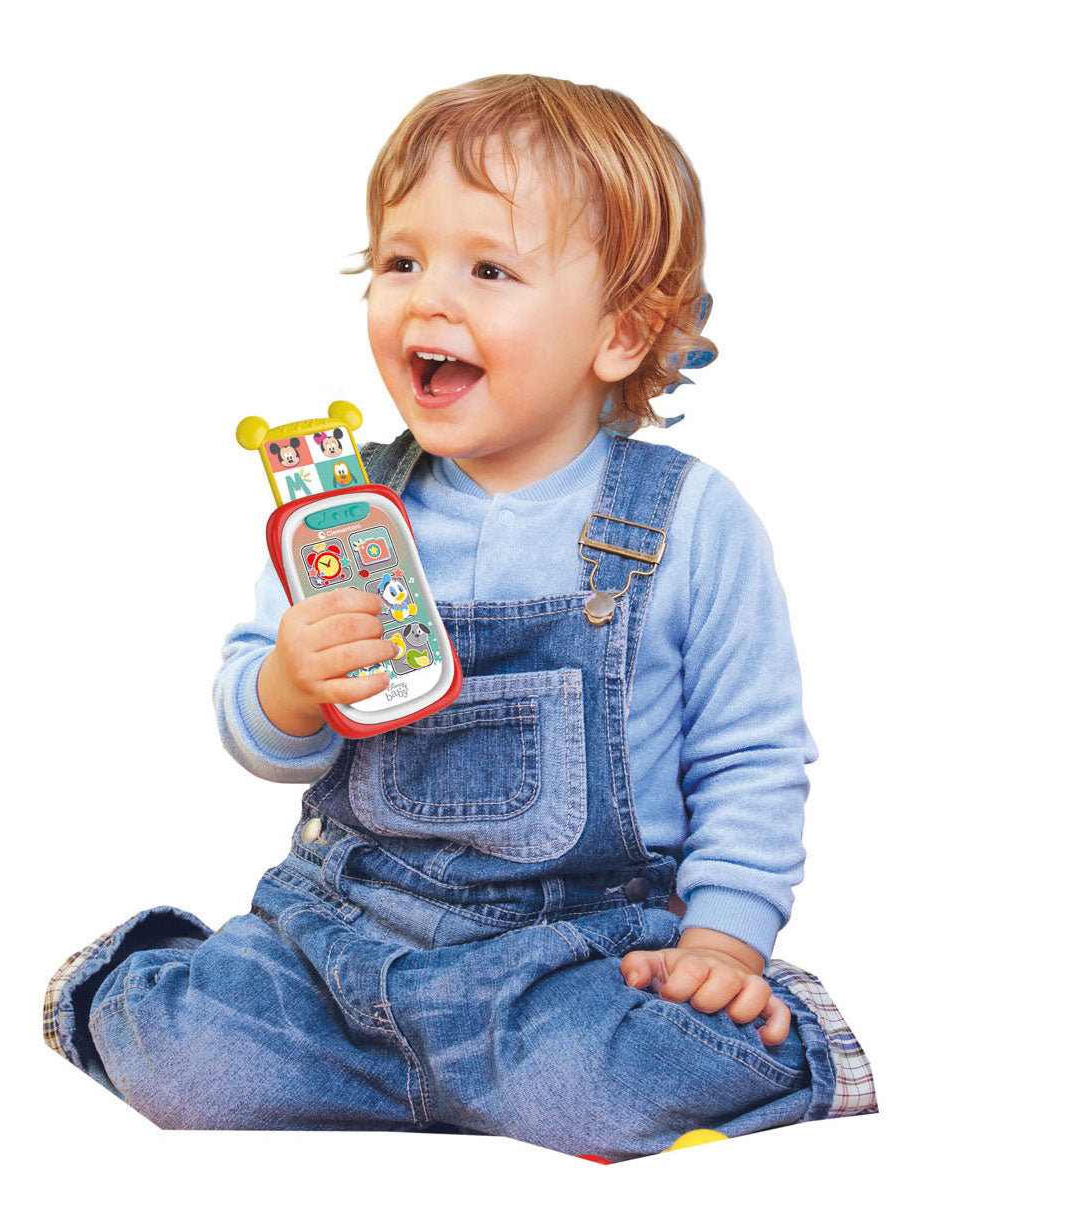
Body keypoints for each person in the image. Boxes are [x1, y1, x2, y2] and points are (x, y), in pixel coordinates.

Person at [44, 74, 876, 1160]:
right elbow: (261, 733)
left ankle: (767, 1041)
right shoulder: (341, 514)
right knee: (194, 1069)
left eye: (488, 269)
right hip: (340, 938)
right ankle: (149, 984)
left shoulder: (688, 520)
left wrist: (723, 943)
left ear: (622, 331)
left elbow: (750, 756)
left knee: (604, 1085)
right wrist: (289, 684)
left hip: (571, 960)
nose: (426, 301)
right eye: (400, 262)